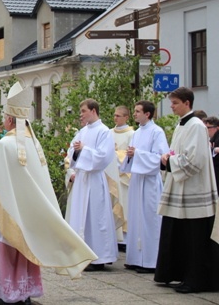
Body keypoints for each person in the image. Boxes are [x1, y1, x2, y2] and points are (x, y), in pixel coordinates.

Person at [0, 82, 96, 305]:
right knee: (26, 248)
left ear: (9, 120)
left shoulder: (4, 145)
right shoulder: (35, 145)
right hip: (28, 212)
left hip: (6, 209)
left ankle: (7, 293)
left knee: (6, 249)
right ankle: (24, 293)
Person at [155, 87, 219, 294]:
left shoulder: (197, 126)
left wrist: (170, 160)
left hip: (194, 189)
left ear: (187, 103)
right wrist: (167, 158)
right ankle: (182, 275)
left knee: (195, 239)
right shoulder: (182, 125)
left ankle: (197, 280)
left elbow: (195, 160)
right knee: (180, 235)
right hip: (180, 187)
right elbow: (179, 153)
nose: (171, 107)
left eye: (174, 103)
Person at [65, 98, 118, 271]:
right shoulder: (82, 131)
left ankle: (99, 256)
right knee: (80, 215)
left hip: (94, 179)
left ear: (93, 111)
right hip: (81, 179)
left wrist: (83, 150)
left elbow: (104, 156)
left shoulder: (104, 132)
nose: (81, 115)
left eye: (83, 111)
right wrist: (77, 152)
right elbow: (71, 151)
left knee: (96, 217)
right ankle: (81, 254)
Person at [120, 100, 169, 274]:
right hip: (137, 180)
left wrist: (137, 154)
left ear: (147, 114)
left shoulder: (157, 132)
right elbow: (132, 156)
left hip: (149, 182)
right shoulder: (137, 132)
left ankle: (150, 260)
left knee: (150, 219)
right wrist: (131, 156)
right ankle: (135, 258)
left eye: (137, 111)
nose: (134, 114)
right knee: (135, 218)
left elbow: (160, 158)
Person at [111, 105, 134, 248]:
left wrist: (115, 153)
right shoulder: (108, 132)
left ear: (126, 117)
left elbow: (130, 154)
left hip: (125, 176)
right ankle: (115, 236)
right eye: (114, 115)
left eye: (118, 116)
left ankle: (125, 239)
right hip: (112, 175)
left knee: (125, 205)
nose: (115, 118)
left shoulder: (132, 134)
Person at [205, 116, 219, 189]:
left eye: (208, 128)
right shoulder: (212, 138)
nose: (206, 130)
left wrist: (212, 149)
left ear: (216, 128)